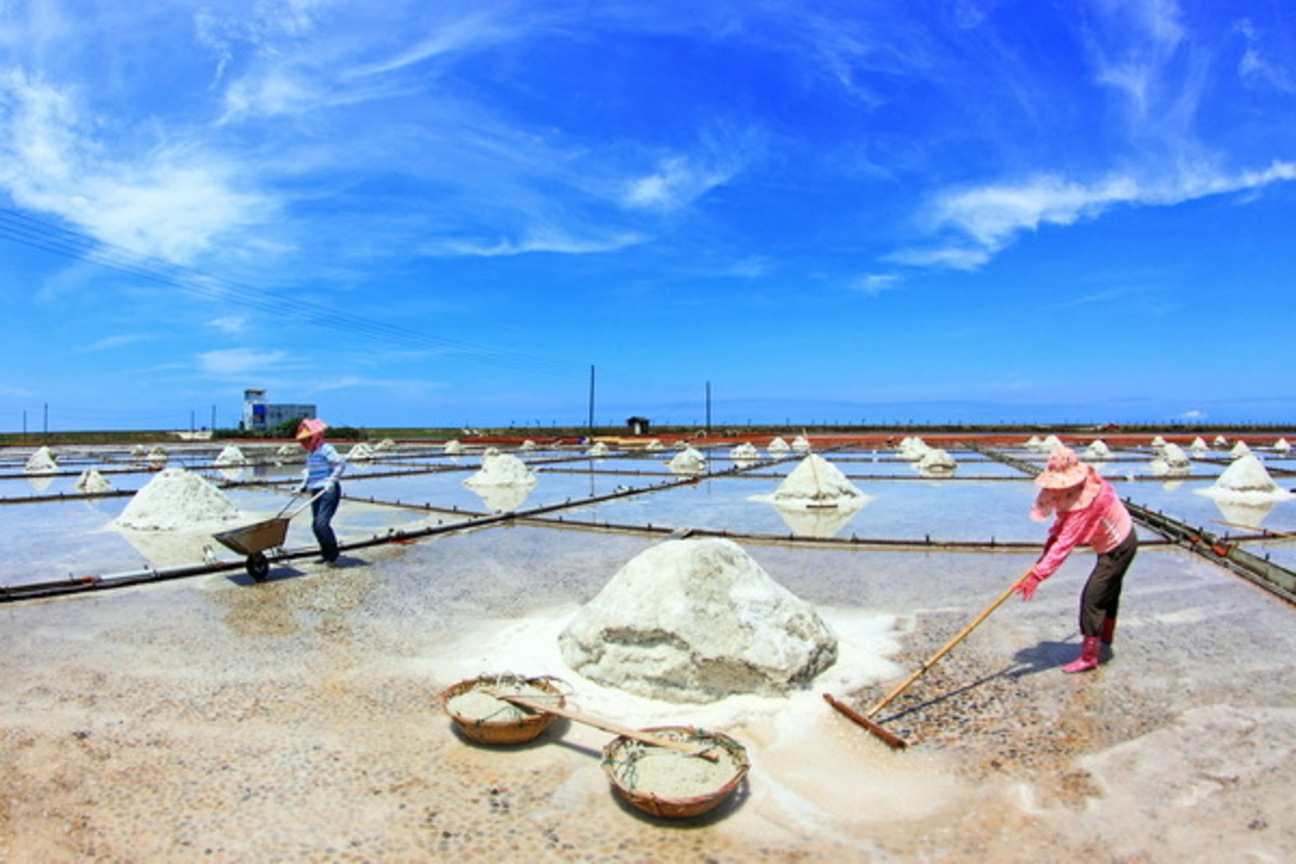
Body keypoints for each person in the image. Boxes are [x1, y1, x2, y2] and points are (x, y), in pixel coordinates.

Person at [1014, 445, 1137, 673]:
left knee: (1094, 598)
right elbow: (1059, 529)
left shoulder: (1088, 497)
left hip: (1120, 546)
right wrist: (1045, 553)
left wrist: (1038, 575)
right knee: (1109, 591)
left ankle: (1090, 656)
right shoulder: (1073, 489)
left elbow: (1065, 543)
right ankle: (1105, 639)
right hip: (1115, 541)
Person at [296, 418, 346, 565]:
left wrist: (332, 481)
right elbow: (310, 473)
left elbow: (340, 463)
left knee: (322, 524)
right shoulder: (311, 454)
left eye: (307, 439)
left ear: (315, 436)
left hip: (328, 490)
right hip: (316, 490)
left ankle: (332, 555)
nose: (304, 443)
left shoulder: (326, 448)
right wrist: (303, 485)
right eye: (303, 440)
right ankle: (325, 554)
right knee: (316, 525)